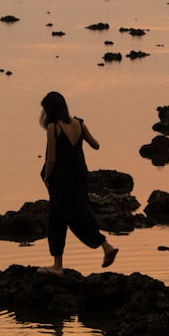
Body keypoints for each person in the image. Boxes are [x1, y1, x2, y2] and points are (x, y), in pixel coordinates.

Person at [38, 91, 118, 276]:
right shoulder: (79, 124)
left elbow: (51, 160)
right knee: (79, 214)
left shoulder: (53, 127)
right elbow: (96, 145)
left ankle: (57, 266)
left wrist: (46, 178)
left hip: (62, 178)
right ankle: (106, 247)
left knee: (57, 219)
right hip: (80, 176)